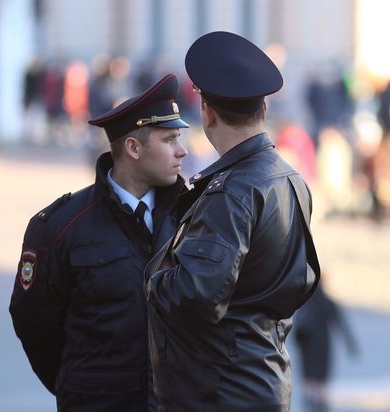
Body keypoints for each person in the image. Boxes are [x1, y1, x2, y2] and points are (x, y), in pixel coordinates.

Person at [145, 31, 321, 411]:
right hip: (262, 376)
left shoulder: (232, 191)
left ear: (206, 112)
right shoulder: (288, 177)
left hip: (220, 389)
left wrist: (153, 276)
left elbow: (193, 296)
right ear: (264, 109)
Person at [9, 73, 189, 411]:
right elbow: (33, 320)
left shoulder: (193, 217)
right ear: (133, 148)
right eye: (169, 140)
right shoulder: (61, 227)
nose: (182, 151)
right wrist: (80, 382)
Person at [294, 279, 358, 412]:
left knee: (309, 374)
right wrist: (350, 345)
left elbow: (295, 324)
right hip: (323, 344)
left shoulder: (304, 303)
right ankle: (319, 401)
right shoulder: (328, 303)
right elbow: (341, 325)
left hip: (307, 346)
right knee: (321, 376)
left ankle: (311, 400)